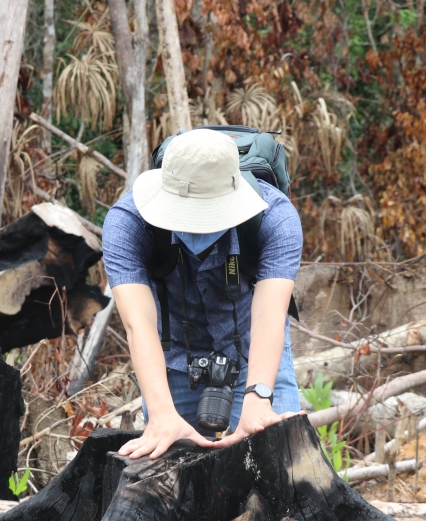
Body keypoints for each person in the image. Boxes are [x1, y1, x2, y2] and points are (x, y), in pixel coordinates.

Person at [103, 128, 303, 460]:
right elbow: (139, 324)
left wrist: (259, 398)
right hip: (177, 353)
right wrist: (163, 414)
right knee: (168, 471)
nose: (197, 227)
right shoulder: (128, 223)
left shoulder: (274, 218)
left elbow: (270, 315)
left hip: (254, 348)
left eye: (207, 216)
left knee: (278, 462)